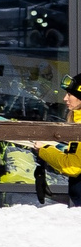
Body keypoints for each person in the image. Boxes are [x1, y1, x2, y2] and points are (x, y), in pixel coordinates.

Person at [36, 74, 81, 208]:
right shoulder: (76, 120)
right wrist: (64, 149)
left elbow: (72, 166)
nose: (65, 98)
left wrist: (43, 150)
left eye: (70, 94)